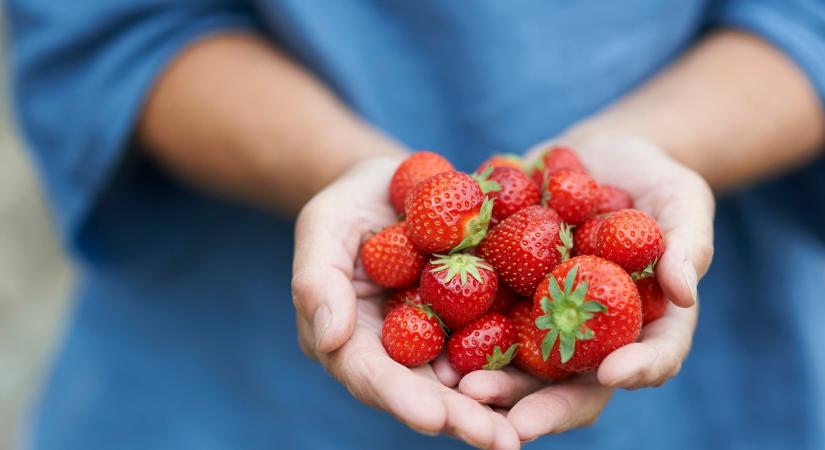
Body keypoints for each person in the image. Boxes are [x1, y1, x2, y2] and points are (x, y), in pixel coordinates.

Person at [7, 0, 825, 449]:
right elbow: (110, 28)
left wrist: (661, 144)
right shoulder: (497, 252)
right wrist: (333, 165)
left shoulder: (537, 261)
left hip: (724, 402)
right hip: (221, 387)